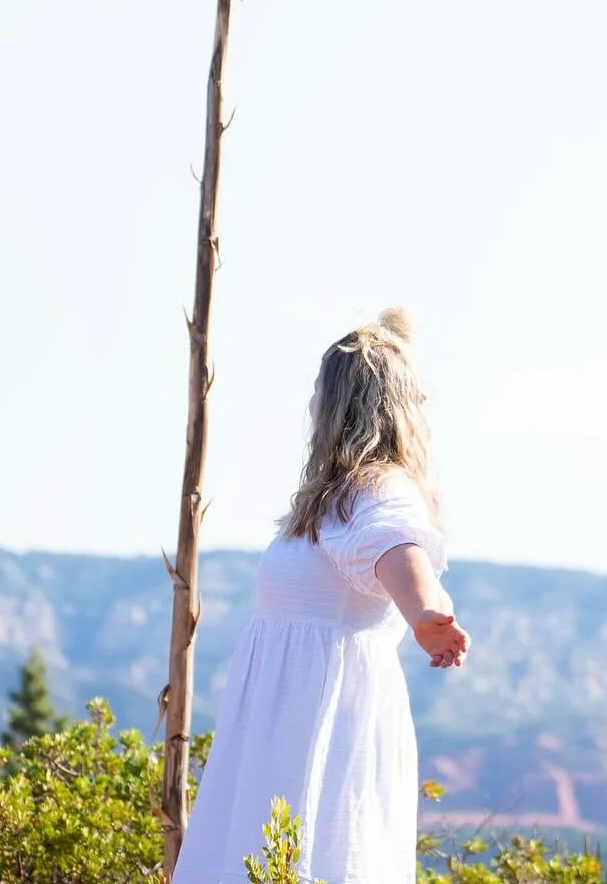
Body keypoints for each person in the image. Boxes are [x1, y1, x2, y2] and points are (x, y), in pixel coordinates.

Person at [174, 307, 468, 884]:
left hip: (324, 728)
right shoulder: (332, 496)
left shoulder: (379, 486)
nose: (311, 406)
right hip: (275, 729)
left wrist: (425, 612)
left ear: (343, 402)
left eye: (319, 391)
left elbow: (399, 547)